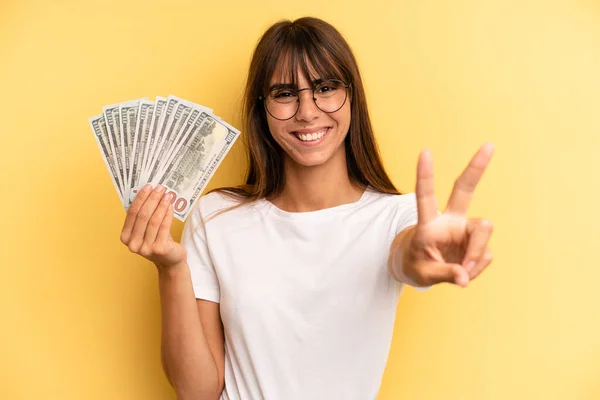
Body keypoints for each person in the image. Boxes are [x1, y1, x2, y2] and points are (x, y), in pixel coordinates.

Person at [119, 17, 494, 400]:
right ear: (261, 109)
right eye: (284, 94)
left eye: (326, 88)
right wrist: (171, 268)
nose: (308, 111)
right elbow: (197, 392)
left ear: (352, 96)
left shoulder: (394, 217)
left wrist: (423, 255)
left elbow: (407, 256)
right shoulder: (216, 216)